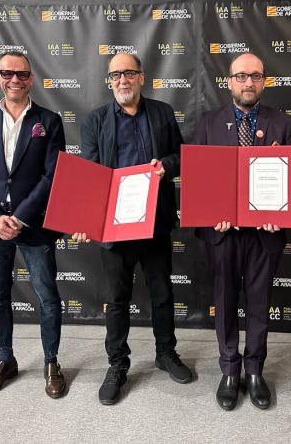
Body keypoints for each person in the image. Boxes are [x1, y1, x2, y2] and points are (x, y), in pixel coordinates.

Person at [72, 52, 192, 405]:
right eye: (115, 75)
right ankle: (117, 363)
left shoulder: (163, 113)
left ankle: (166, 354)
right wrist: (82, 219)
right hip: (114, 226)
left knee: (162, 294)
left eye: (129, 73)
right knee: (118, 300)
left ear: (142, 77)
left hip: (155, 221)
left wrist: (163, 166)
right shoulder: (95, 120)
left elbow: (181, 155)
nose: (122, 80)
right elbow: (90, 172)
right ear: (109, 81)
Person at [193, 53, 291, 410]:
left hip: (264, 233)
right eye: (241, 76)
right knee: (223, 301)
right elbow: (199, 179)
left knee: (258, 302)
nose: (248, 83)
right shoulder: (207, 123)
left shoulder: (282, 123)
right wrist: (211, 214)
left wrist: (278, 214)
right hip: (222, 233)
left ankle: (254, 370)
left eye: (255, 76)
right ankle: (229, 370)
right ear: (229, 81)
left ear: (264, 81)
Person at [0, 51, 67, 398]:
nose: (15, 80)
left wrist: (20, 216)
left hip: (34, 224)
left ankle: (51, 362)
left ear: (31, 78)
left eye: (22, 75)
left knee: (48, 297)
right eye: (8, 74)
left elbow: (52, 176)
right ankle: (5, 360)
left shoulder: (49, 121)